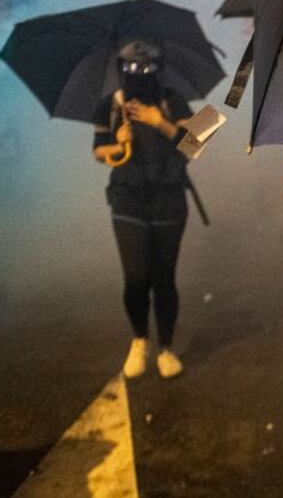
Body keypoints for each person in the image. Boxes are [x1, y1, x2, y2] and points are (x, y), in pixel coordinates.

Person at [92, 42, 193, 379]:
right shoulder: (110, 103)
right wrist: (118, 141)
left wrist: (160, 122)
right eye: (132, 69)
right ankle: (139, 340)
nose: (139, 76)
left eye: (147, 69)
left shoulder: (174, 98)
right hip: (127, 197)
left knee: (164, 278)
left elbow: (198, 143)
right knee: (136, 277)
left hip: (169, 197)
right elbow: (97, 151)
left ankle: (165, 348)